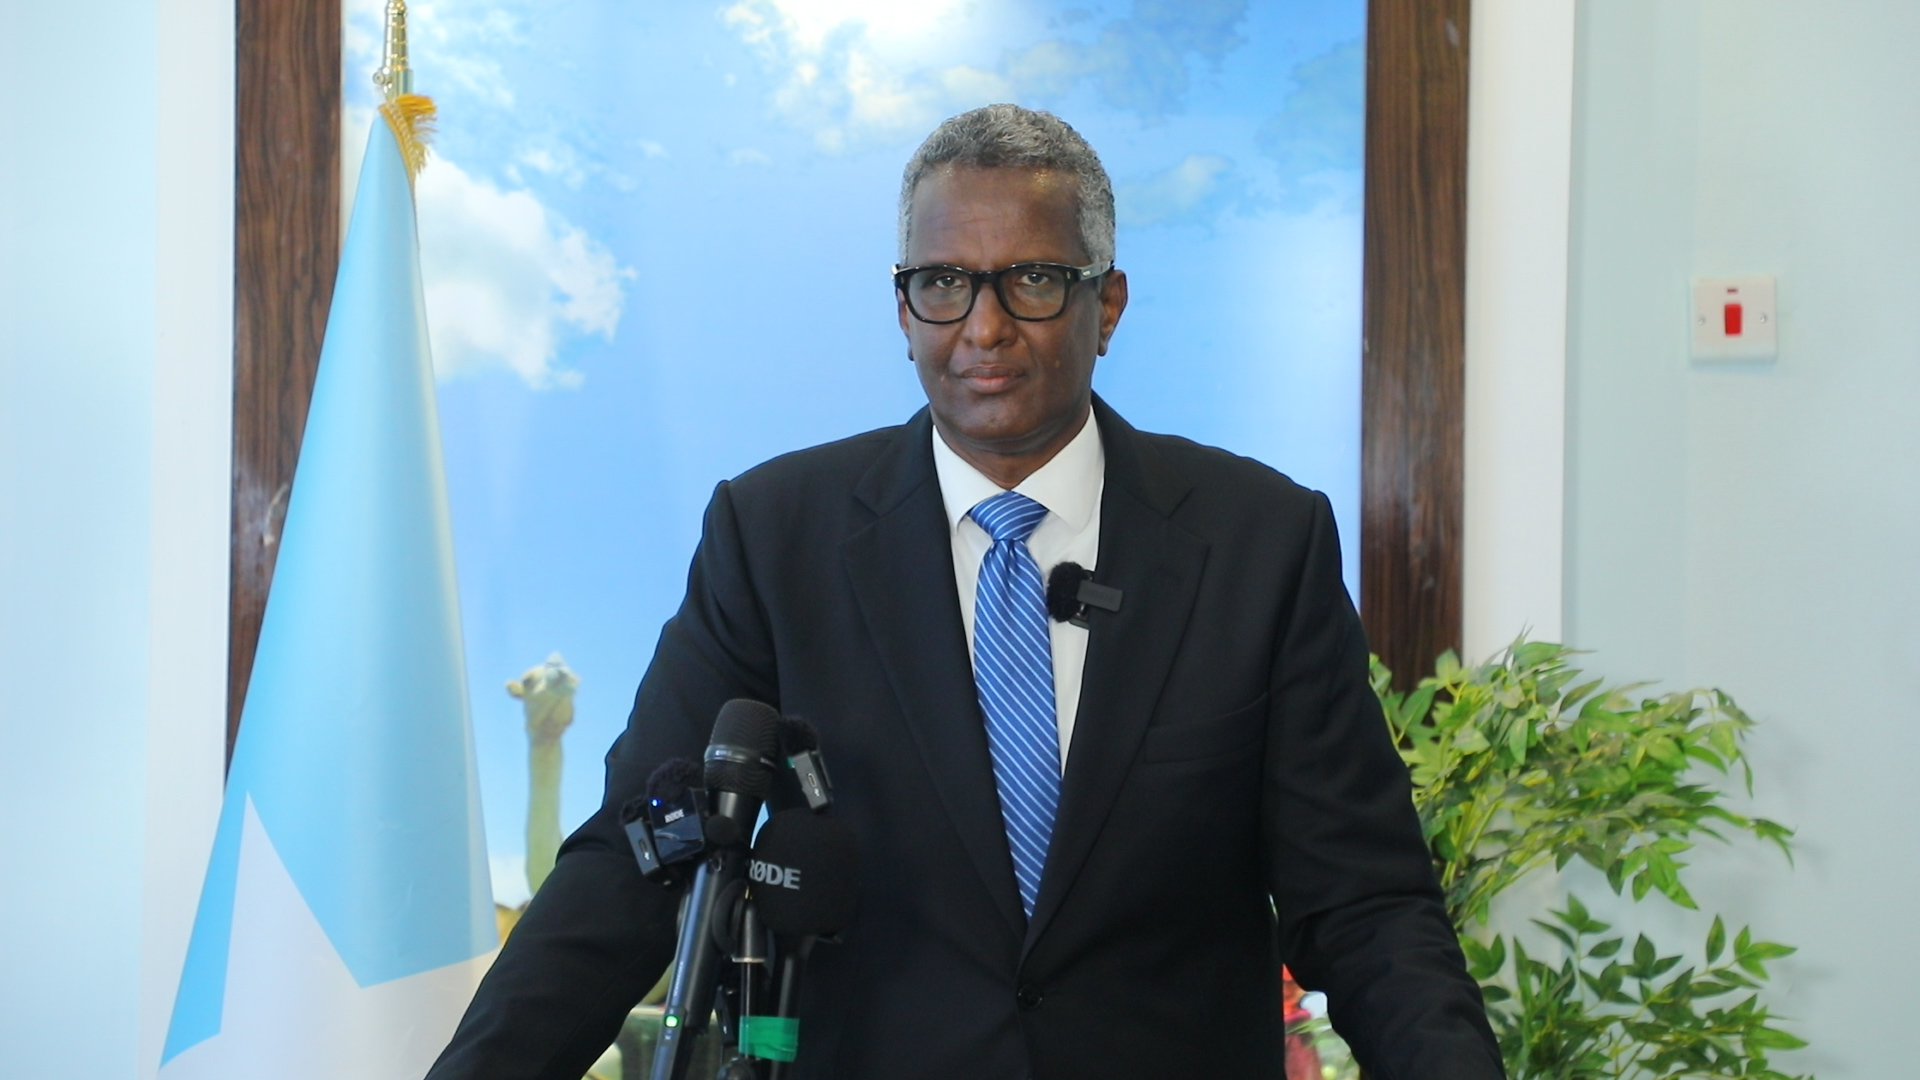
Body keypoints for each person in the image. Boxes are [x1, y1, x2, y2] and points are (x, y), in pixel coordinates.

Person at [428, 104, 1502, 1080]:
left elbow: (1364, 905)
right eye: (943, 284)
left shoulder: (1259, 542)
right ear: (903, 311)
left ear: (1107, 304)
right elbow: (632, 866)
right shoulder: (774, 536)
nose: (983, 329)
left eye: (1032, 280)